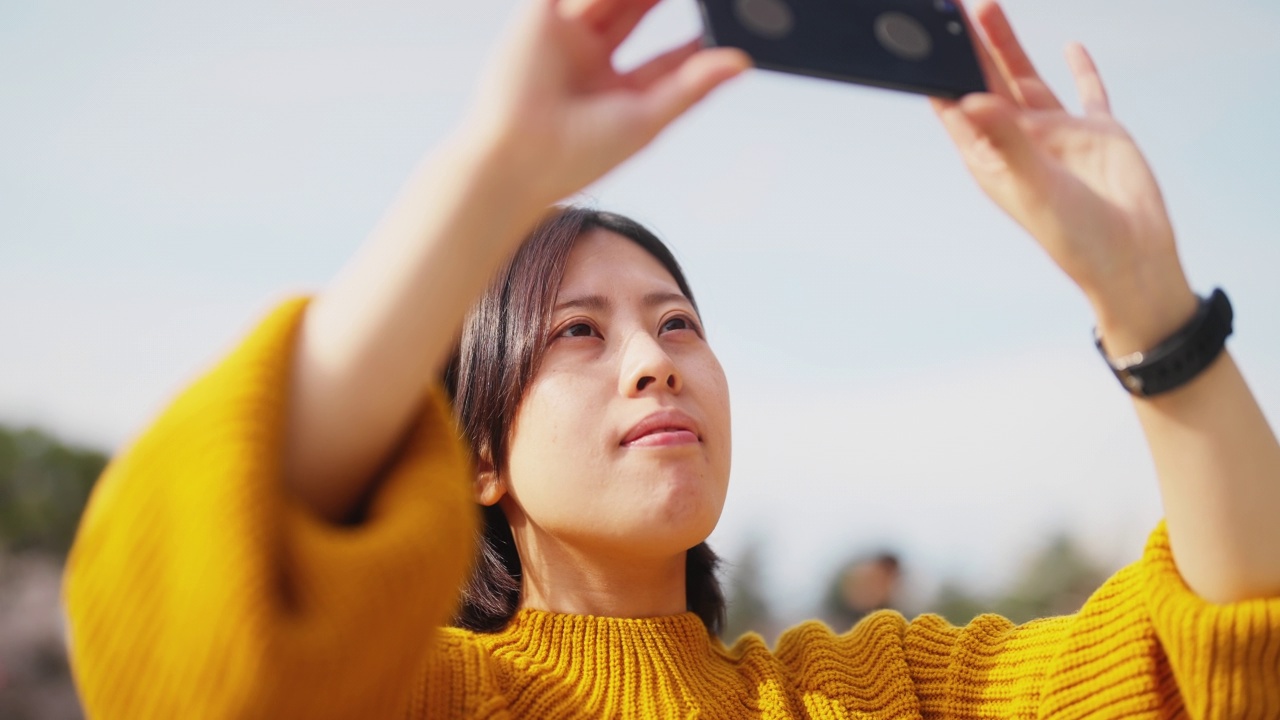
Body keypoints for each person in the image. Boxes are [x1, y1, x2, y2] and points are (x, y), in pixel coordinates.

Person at [63, 0, 1280, 717]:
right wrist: (488, 177)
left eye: (677, 322)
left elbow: (1216, 662)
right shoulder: (423, 695)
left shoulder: (882, 689)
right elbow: (184, 651)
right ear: (477, 453)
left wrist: (1141, 295)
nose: (654, 360)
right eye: (577, 334)